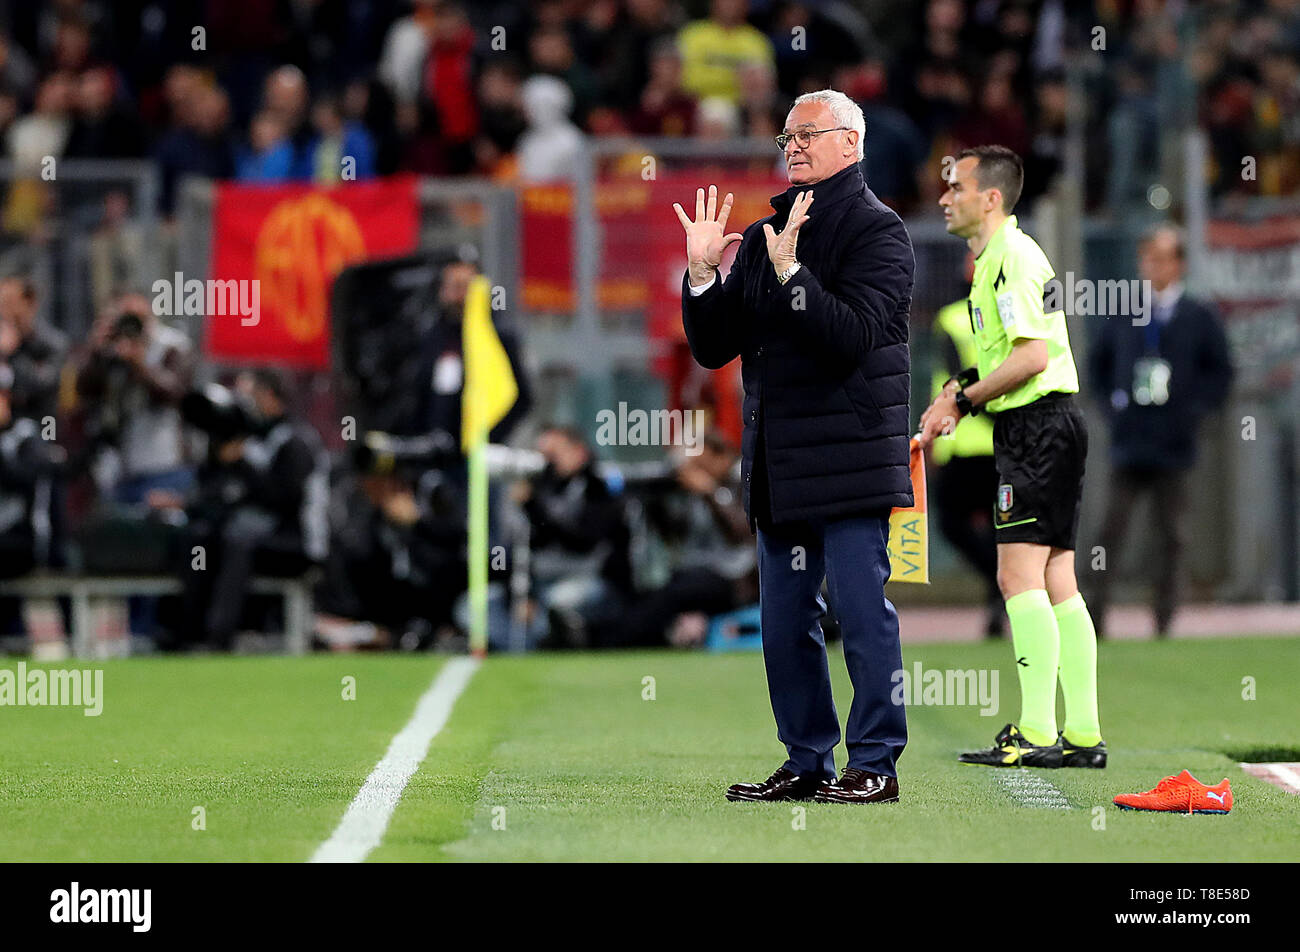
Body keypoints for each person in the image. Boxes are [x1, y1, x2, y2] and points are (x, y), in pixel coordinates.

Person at [676, 88, 915, 805]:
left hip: (848, 459)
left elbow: (850, 337)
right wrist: (700, 276)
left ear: (853, 142)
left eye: (810, 134)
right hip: (780, 465)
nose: (797, 146)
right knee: (783, 623)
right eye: (788, 138)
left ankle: (875, 762)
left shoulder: (880, 231)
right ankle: (807, 759)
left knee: (860, 611)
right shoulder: (762, 233)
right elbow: (716, 347)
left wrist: (790, 276)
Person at [920, 145, 1104, 769]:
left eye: (957, 188)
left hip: (1036, 428)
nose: (945, 198)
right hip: (1048, 426)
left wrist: (963, 400)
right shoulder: (1005, 259)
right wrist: (960, 385)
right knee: (1056, 580)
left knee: (1016, 578)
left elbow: (1031, 357)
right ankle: (1081, 733)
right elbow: (1018, 351)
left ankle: (1036, 732)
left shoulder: (1011, 261)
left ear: (990, 197)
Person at [1086, 225, 1234, 637]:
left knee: (1171, 535)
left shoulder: (1199, 316)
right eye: (1148, 258)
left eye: (1163, 258)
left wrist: (1194, 413)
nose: (1154, 266)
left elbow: (1220, 372)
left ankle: (1164, 619)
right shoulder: (1124, 311)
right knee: (1110, 531)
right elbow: (1097, 365)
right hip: (1130, 441)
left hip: (1174, 443)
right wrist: (1112, 409)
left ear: (1180, 264)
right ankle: (1095, 617)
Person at [181, 369, 328, 650]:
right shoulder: (243, 439)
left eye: (251, 397)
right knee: (200, 537)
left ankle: (220, 637)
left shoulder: (294, 440)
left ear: (270, 397)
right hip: (254, 533)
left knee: (239, 541)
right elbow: (215, 492)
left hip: (296, 539)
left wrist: (242, 463)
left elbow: (284, 499)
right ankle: (188, 634)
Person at [928, 254, 1003, 636]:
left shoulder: (952, 317)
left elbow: (952, 378)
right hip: (1001, 442)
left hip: (963, 442)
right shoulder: (1008, 315)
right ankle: (1002, 588)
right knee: (997, 529)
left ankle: (1000, 586)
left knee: (951, 522)